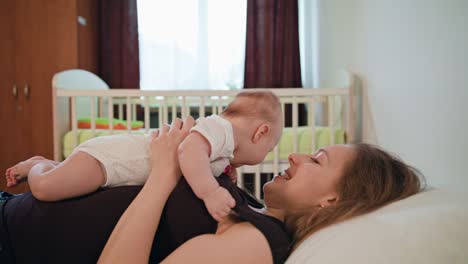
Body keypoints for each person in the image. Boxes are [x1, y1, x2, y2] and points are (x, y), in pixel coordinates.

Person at [0, 116, 424, 263]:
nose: (295, 157)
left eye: (317, 160)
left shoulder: (261, 241)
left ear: (333, 200)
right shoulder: (249, 208)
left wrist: (167, 172)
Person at [4, 90, 283, 221]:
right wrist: (209, 190)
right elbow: (188, 151)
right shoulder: (221, 129)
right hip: (109, 160)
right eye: (269, 149)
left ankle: (55, 166)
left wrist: (221, 169)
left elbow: (194, 159)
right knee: (44, 188)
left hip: (115, 170)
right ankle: (38, 165)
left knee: (66, 182)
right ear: (260, 132)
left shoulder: (220, 145)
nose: (266, 154)